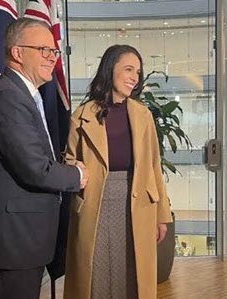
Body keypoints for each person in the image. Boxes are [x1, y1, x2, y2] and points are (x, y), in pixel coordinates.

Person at [0, 18, 88, 299]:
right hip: (13, 239)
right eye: (43, 50)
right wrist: (78, 176)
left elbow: (28, 155)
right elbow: (34, 169)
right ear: (17, 53)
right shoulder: (6, 97)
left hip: (22, 237)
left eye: (54, 52)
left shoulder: (24, 95)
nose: (52, 58)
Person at [63, 45, 173, 299]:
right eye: (128, 69)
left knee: (132, 272)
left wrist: (161, 215)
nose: (134, 77)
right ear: (110, 69)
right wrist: (73, 166)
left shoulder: (143, 115)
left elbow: (154, 166)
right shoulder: (82, 115)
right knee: (95, 272)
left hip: (136, 200)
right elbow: (69, 159)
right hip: (94, 199)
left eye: (137, 71)